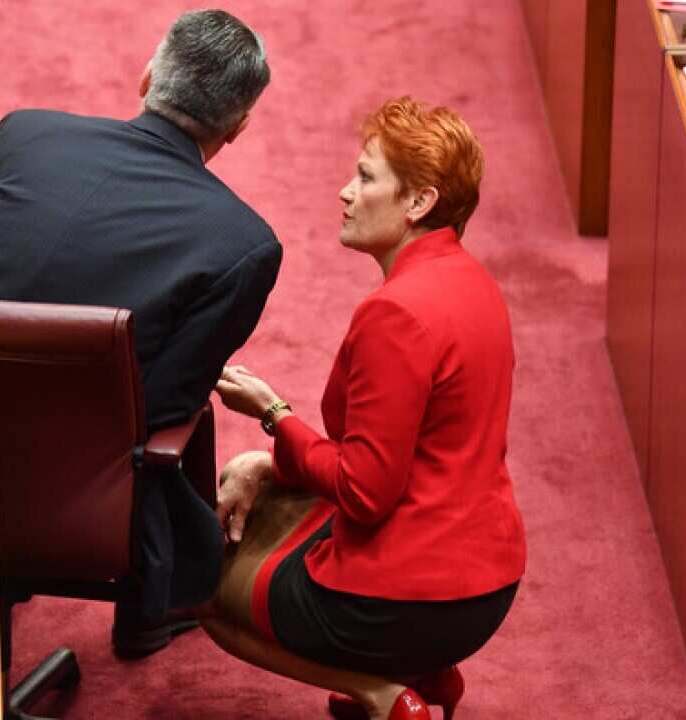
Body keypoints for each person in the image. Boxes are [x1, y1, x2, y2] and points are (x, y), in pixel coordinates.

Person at [0, 9, 279, 657]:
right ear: (241, 126)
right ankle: (151, 609)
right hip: (66, 493)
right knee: (188, 412)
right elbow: (164, 406)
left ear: (148, 78)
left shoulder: (26, 134)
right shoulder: (244, 244)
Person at [204, 98, 526, 720]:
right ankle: (431, 675)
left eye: (366, 177)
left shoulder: (396, 314)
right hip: (488, 581)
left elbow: (366, 491)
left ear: (418, 203)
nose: (345, 191)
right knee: (279, 499)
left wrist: (273, 412)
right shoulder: (475, 282)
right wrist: (271, 462)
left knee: (200, 584)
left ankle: (382, 694)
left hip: (402, 600)